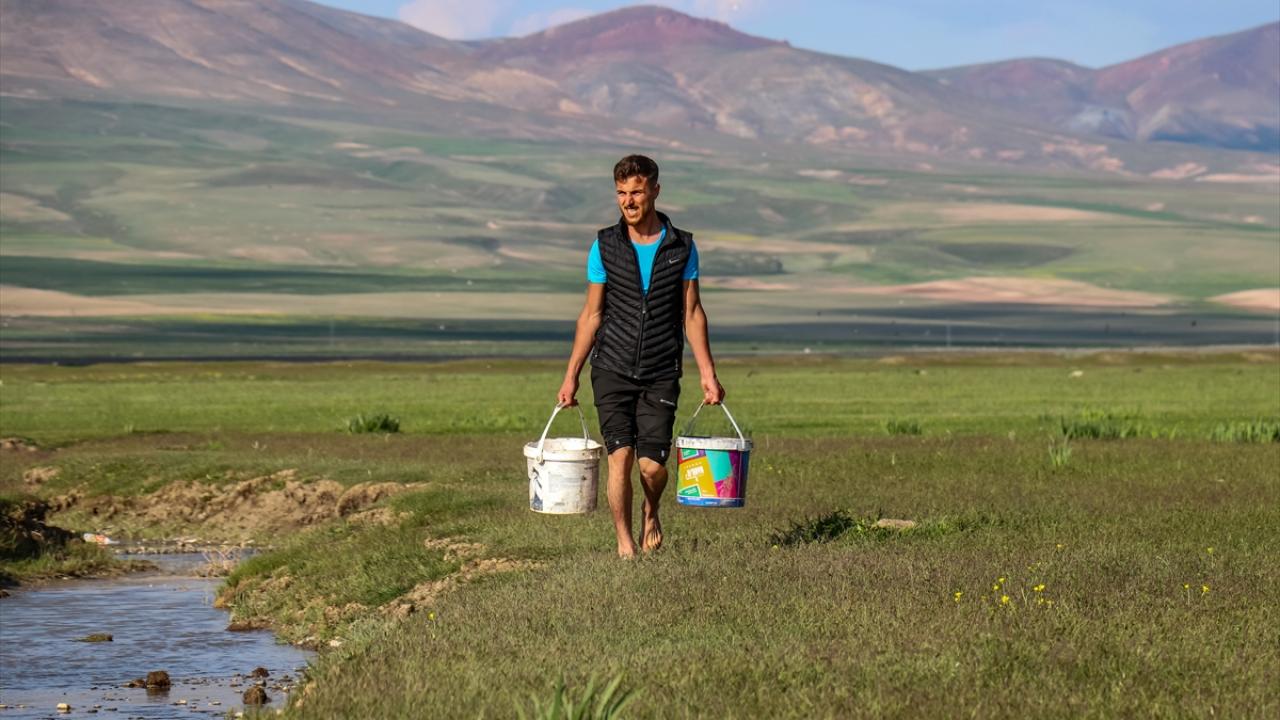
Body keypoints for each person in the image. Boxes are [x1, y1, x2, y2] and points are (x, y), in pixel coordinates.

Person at [557, 154, 725, 558]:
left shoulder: (681, 246)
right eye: (621, 193)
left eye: (635, 192)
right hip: (611, 365)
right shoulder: (604, 245)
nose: (628, 201)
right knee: (620, 457)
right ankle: (624, 546)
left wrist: (708, 373)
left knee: (650, 467)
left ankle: (652, 509)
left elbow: (692, 312)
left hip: (661, 369)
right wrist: (571, 375)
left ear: (654, 190)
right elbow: (591, 314)